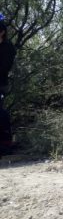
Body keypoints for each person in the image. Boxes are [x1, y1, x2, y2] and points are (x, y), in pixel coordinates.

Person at [0, 18, 16, 156]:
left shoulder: (8, 48)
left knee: (1, 113)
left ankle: (5, 143)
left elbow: (4, 68)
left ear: (2, 32)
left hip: (1, 83)